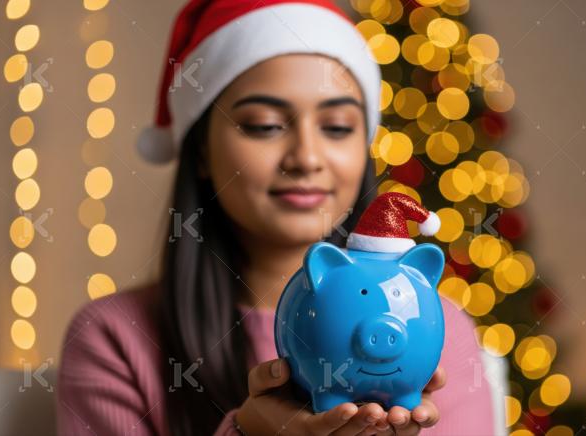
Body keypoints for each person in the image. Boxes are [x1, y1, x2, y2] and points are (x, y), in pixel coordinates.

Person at [57, 0, 495, 434]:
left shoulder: (437, 325)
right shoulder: (114, 337)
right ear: (203, 150)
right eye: (264, 125)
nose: (305, 157)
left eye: (338, 126)